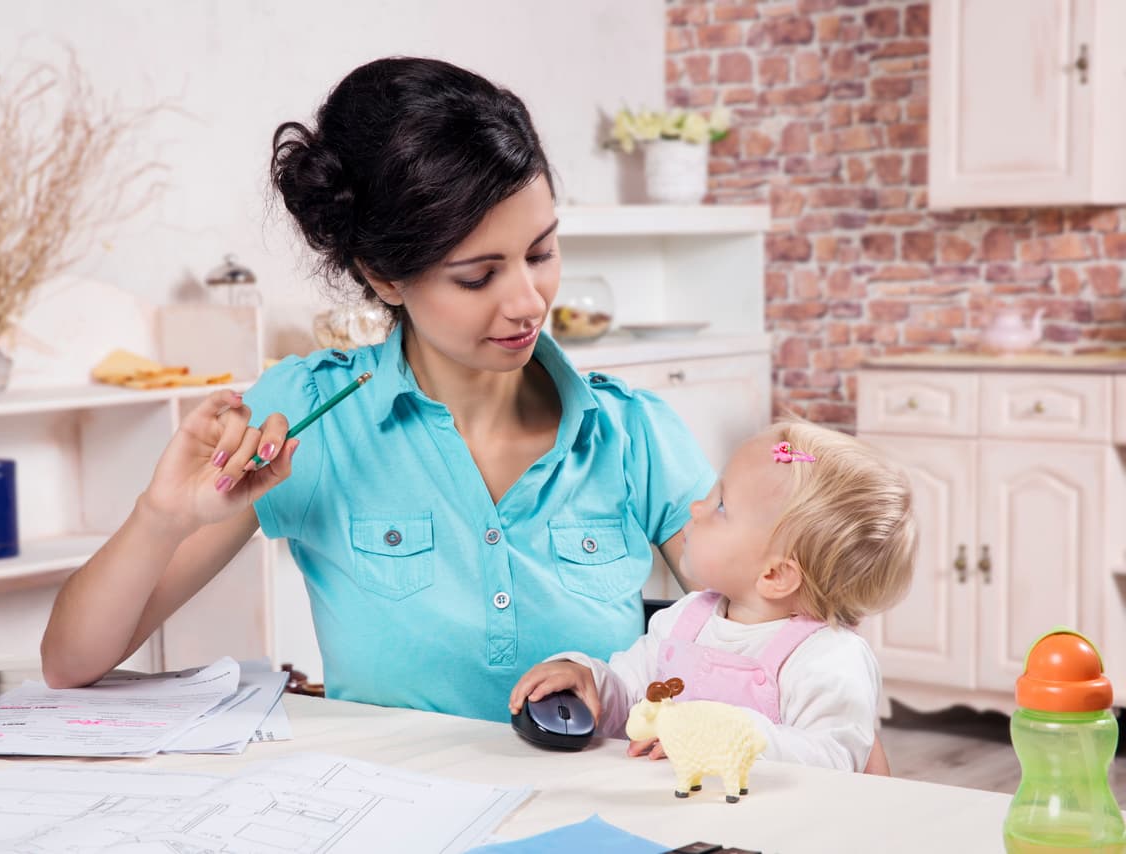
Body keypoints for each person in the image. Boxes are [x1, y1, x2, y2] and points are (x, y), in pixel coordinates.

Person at [39, 57, 716, 723]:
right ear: (385, 277)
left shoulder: (631, 430)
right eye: (478, 276)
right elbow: (70, 664)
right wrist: (163, 518)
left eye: (540, 254)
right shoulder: (309, 416)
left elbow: (776, 640)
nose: (527, 302)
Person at [508, 420, 916, 771]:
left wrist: (734, 737)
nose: (698, 506)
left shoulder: (827, 659)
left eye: (721, 505)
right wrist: (590, 681)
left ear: (774, 574)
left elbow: (834, 760)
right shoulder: (686, 620)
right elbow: (633, 696)